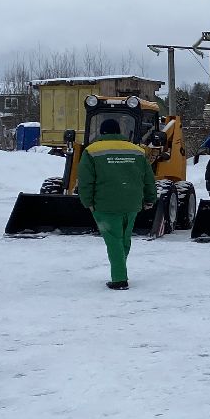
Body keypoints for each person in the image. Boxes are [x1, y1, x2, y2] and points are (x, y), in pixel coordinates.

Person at [77, 118, 156, 290]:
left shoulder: (91, 151)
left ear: (102, 132)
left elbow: (85, 181)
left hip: (105, 205)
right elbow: (148, 178)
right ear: (118, 131)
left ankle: (119, 279)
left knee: (113, 241)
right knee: (124, 239)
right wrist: (150, 199)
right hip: (132, 203)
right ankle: (120, 268)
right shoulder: (138, 151)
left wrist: (87, 202)